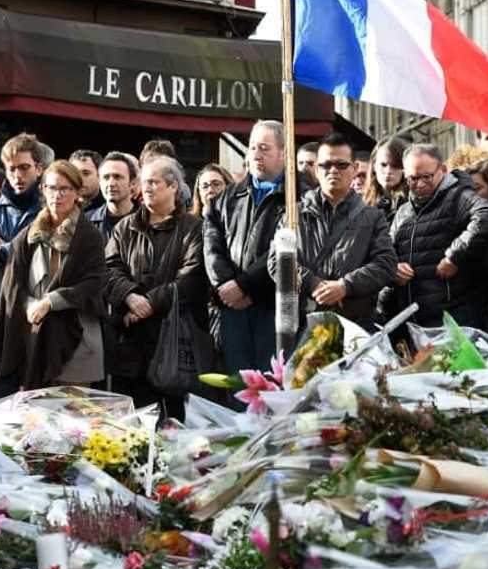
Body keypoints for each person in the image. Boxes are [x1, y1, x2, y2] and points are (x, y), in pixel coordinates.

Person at [0, 160, 106, 391]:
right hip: (35, 335)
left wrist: (52, 301)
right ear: (42, 190)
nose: (57, 195)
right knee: (37, 417)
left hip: (77, 337)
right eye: (51, 188)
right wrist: (31, 303)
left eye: (65, 189)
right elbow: (11, 286)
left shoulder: (89, 236)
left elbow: (94, 283)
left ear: (77, 192)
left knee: (74, 419)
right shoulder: (28, 235)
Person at [105, 156, 208, 413]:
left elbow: (192, 276)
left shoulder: (193, 228)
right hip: (130, 344)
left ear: (173, 186)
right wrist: (129, 297)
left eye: (154, 182)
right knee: (132, 425)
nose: (147, 188)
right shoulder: (124, 228)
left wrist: (150, 303)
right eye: (144, 182)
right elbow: (108, 269)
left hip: (174, 340)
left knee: (173, 423)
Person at [204, 120, 302, 376]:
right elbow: (212, 245)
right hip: (232, 308)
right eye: (252, 148)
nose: (256, 155)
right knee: (238, 386)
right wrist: (224, 284)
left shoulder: (298, 196)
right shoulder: (227, 197)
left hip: (274, 307)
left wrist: (245, 285)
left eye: (264, 148)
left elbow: (285, 249)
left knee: (272, 386)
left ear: (284, 152)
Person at [271, 133, 396, 327]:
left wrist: (345, 286)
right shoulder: (293, 215)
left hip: (355, 324)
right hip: (305, 323)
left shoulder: (372, 217)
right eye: (325, 165)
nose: (333, 171)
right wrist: (312, 283)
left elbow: (385, 264)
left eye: (341, 165)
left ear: (354, 169)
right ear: (316, 169)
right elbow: (276, 261)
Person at [377, 144, 488, 329]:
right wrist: (393, 269)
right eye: (412, 178)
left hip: (454, 319)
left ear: (442, 170)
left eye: (426, 177)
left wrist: (454, 256)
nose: (418, 185)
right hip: (412, 322)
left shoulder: (459, 197)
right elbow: (386, 252)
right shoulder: (403, 212)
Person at [0, 132, 47, 266]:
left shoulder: (51, 208)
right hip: (2, 284)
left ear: (38, 169)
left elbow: (43, 255)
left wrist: (3, 248)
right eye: (12, 169)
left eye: (24, 167)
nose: (18, 175)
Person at [86, 151, 137, 239]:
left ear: (132, 183)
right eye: (106, 177)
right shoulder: (86, 222)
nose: (111, 183)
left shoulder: (149, 220)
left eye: (117, 177)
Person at [363, 136, 409, 219]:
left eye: (395, 166)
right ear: (374, 165)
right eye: (383, 165)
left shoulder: (414, 202)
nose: (388, 171)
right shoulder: (361, 202)